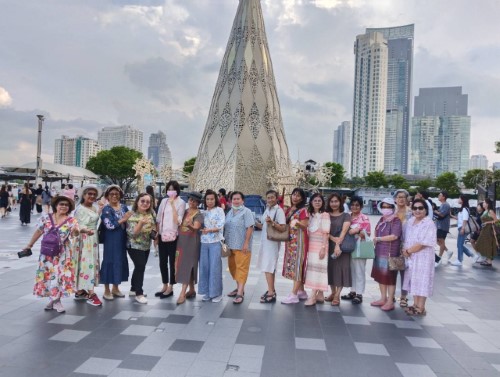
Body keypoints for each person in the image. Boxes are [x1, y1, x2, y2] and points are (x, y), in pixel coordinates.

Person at [25, 196, 79, 313]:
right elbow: (39, 232)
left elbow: (75, 233)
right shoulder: (46, 218)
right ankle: (53, 299)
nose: (64, 206)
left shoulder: (71, 220)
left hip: (62, 254)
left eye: (66, 205)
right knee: (48, 276)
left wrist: (76, 231)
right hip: (47, 254)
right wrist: (29, 245)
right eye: (61, 204)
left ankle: (56, 300)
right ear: (56, 206)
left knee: (59, 276)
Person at [402, 198, 437, 316]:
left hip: (423, 257)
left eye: (420, 208)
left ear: (426, 210)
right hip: (411, 256)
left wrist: (408, 250)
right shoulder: (411, 221)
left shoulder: (428, 223)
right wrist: (406, 251)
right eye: (415, 208)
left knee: (422, 281)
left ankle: (421, 307)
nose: (417, 210)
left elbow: (423, 242)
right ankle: (415, 304)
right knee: (414, 280)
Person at [73, 185, 103, 306]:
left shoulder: (94, 208)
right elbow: (78, 225)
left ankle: (81, 290)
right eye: (89, 194)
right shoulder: (80, 209)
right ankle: (91, 292)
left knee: (90, 263)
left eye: (94, 194)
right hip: (85, 239)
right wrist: (86, 231)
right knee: (87, 264)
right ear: (83, 195)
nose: (92, 196)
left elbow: (95, 220)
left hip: (93, 238)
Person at [370, 197, 402, 311]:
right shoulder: (382, 219)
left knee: (391, 277)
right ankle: (383, 298)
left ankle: (390, 301)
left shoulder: (396, 220)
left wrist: (379, 238)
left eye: (389, 207)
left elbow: (394, 236)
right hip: (380, 251)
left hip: (392, 253)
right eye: (384, 206)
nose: (386, 209)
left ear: (393, 208)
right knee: (381, 275)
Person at [100, 185, 131, 300]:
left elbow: (130, 221)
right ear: (107, 196)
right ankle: (106, 290)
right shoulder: (106, 209)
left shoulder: (124, 207)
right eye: (111, 194)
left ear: (120, 195)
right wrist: (123, 219)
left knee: (120, 261)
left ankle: (116, 287)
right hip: (111, 239)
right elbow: (110, 225)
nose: (114, 196)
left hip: (122, 239)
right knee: (109, 261)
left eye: (116, 194)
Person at [155, 180, 185, 299]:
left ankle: (171, 287)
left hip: (173, 236)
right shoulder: (163, 201)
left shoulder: (181, 202)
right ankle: (164, 285)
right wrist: (157, 234)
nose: (171, 191)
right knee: (162, 262)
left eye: (173, 189)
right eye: (169, 189)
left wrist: (173, 204)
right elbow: (158, 218)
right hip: (162, 235)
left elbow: (178, 221)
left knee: (172, 262)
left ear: (177, 190)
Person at [255, 190, 286, 304]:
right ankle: (271, 290)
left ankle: (271, 292)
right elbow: (263, 225)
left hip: (272, 243)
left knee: (269, 266)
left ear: (277, 198)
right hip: (265, 242)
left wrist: (272, 222)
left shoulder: (279, 211)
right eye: (268, 198)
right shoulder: (267, 209)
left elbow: (283, 228)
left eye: (272, 197)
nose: (270, 200)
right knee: (268, 267)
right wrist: (253, 221)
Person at [126, 192, 156, 304]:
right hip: (133, 245)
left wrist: (154, 232)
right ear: (137, 202)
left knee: (139, 267)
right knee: (140, 266)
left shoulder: (151, 213)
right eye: (142, 201)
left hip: (145, 245)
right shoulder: (131, 215)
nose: (145, 203)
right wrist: (141, 223)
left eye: (148, 202)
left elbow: (154, 225)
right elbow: (133, 233)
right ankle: (139, 293)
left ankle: (133, 289)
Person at [225, 191, 254, 304]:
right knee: (233, 268)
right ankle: (238, 288)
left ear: (243, 200)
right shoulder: (230, 212)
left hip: (242, 246)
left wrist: (246, 243)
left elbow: (250, 227)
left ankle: (240, 292)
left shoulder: (246, 212)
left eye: (238, 199)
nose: (236, 201)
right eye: (234, 199)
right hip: (230, 245)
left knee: (241, 268)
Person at [281, 188, 309, 304]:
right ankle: (301, 291)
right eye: (294, 195)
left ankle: (293, 295)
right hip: (291, 243)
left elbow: (305, 225)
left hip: (300, 243)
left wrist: (297, 223)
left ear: (302, 198)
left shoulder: (303, 210)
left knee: (297, 267)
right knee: (294, 267)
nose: (295, 197)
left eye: (298, 196)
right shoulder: (291, 209)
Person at [342, 196, 371, 305]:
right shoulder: (347, 216)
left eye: (357, 205)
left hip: (359, 247)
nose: (354, 207)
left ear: (361, 206)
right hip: (348, 247)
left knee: (359, 270)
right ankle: (352, 291)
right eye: (353, 205)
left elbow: (367, 234)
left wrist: (357, 230)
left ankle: (359, 294)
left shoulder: (364, 218)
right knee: (351, 270)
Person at [175, 192, 204, 305]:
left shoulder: (199, 215)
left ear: (198, 203)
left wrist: (189, 225)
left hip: (192, 243)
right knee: (183, 265)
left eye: (195, 201)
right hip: (181, 242)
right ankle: (191, 290)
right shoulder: (184, 211)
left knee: (188, 265)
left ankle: (182, 293)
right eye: (191, 200)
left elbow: (196, 228)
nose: (192, 202)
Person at [303, 193, 330, 306]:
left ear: (322, 202)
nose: (317, 202)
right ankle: (319, 295)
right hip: (312, 246)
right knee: (314, 270)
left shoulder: (325, 215)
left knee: (318, 270)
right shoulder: (311, 215)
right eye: (315, 200)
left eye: (319, 200)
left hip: (320, 246)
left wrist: (323, 248)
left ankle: (312, 296)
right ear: (311, 202)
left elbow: (326, 232)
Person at [325, 193, 351, 306]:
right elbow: (324, 230)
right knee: (330, 269)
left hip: (343, 246)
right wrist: (333, 240)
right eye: (332, 201)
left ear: (340, 202)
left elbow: (344, 231)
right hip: (329, 245)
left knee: (341, 269)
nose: (334, 203)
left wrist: (337, 244)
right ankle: (333, 292)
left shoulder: (346, 215)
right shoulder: (326, 215)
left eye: (336, 201)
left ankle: (337, 295)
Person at [199, 189, 225, 303]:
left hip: (215, 242)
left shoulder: (219, 210)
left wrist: (209, 230)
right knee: (204, 268)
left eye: (212, 199)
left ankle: (217, 293)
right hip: (204, 243)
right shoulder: (203, 212)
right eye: (208, 199)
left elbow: (220, 226)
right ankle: (207, 292)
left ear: (216, 200)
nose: (209, 201)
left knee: (215, 268)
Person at [393, 189, 411, 308]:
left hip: (406, 245)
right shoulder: (391, 211)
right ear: (395, 199)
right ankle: (391, 295)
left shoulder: (411, 213)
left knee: (405, 272)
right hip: (393, 244)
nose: (401, 199)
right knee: (392, 270)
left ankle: (404, 297)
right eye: (399, 197)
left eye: (404, 197)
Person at [450, 195, 476, 266]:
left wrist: (463, 228)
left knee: (459, 245)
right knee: (460, 245)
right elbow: (460, 218)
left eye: (459, 198)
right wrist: (451, 215)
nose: (458, 199)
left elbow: (465, 219)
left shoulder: (464, 209)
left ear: (463, 200)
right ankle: (473, 255)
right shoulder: (463, 208)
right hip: (461, 227)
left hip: (462, 228)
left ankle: (459, 260)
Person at [475, 198, 498, 267]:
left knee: (487, 244)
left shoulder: (490, 211)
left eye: (484, 202)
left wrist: (488, 222)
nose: (483, 203)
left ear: (487, 204)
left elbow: (496, 220)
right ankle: (487, 259)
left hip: (488, 230)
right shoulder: (485, 211)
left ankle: (489, 261)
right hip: (484, 230)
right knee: (480, 243)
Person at [434, 191, 451, 266]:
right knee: (438, 240)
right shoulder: (443, 205)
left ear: (444, 197)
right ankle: (448, 251)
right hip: (440, 226)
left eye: (440, 195)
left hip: (442, 226)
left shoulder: (445, 205)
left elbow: (441, 215)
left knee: (441, 241)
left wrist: (434, 211)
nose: (438, 196)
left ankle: (439, 258)